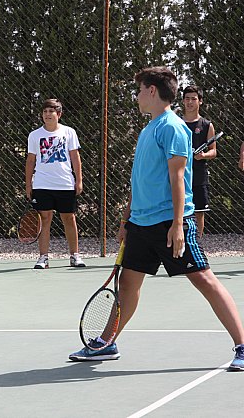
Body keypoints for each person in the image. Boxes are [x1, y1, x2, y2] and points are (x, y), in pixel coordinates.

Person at [68, 67, 244, 371]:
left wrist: (178, 225)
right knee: (128, 284)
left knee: (204, 280)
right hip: (141, 224)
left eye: (139, 91)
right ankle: (107, 342)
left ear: (151, 91)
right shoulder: (148, 129)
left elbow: (178, 178)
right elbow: (142, 180)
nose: (136, 97)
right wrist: (127, 220)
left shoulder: (173, 127)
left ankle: (242, 345)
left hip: (169, 223)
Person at [25, 98, 85, 269]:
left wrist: (79, 180)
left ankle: (75, 256)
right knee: (44, 219)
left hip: (65, 184)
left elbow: (75, 157)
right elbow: (30, 161)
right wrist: (28, 185)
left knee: (69, 218)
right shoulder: (34, 135)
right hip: (42, 184)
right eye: (45, 112)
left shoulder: (69, 132)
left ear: (59, 114)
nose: (47, 115)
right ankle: (43, 258)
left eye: (51, 111)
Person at [182, 85, 216, 237]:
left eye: (193, 99)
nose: (190, 102)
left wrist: (203, 155)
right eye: (187, 99)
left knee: (198, 213)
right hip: (180, 176)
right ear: (183, 101)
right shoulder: (177, 123)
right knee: (177, 211)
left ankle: (196, 245)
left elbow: (213, 151)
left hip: (199, 176)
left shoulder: (207, 125)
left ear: (200, 101)